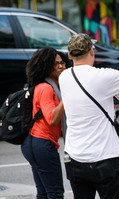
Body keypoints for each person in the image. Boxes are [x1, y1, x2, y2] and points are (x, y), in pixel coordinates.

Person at [59, 33, 119, 199]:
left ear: (69, 55)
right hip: (103, 158)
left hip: (74, 158)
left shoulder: (64, 77)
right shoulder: (104, 75)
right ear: (92, 51)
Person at [21, 47, 67, 199]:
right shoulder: (46, 88)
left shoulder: (47, 86)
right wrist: (69, 96)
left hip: (33, 143)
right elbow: (52, 119)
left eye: (62, 63)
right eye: (56, 64)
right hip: (42, 144)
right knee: (55, 193)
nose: (61, 66)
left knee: (44, 193)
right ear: (46, 67)